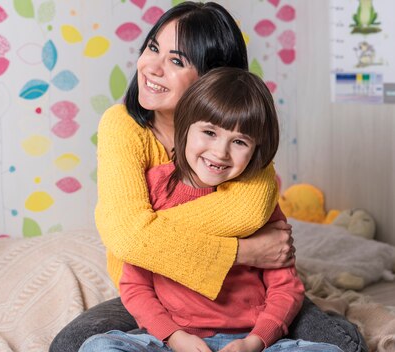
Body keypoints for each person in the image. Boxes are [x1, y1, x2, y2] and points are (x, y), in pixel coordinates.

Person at [49, 2, 366, 352]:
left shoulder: (242, 134)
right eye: (153, 47)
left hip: (244, 303)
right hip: (159, 293)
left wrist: (148, 229)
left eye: (176, 60)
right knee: (71, 345)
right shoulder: (123, 125)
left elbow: (247, 212)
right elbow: (128, 240)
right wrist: (244, 251)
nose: (151, 67)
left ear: (213, 77)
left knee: (342, 343)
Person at [79, 67, 342, 352]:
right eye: (209, 132)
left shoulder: (254, 198)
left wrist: (254, 342)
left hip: (247, 341)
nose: (220, 152)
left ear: (256, 150)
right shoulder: (155, 189)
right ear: (185, 127)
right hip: (171, 341)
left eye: (239, 142)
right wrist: (174, 336)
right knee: (97, 347)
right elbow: (135, 286)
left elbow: (286, 287)